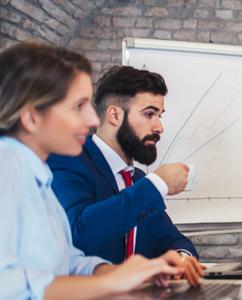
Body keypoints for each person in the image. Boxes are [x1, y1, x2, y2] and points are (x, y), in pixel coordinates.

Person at [0, 42, 194, 299]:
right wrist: (114, 283)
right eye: (78, 106)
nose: (92, 120)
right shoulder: (8, 165)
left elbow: (69, 261)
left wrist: (130, 272)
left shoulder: (36, 175)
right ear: (31, 116)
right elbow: (9, 287)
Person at [47, 65, 203, 282]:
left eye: (160, 115)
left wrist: (181, 259)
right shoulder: (68, 160)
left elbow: (175, 241)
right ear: (115, 114)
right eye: (149, 114)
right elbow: (78, 236)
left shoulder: (136, 179)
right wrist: (159, 184)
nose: (159, 127)